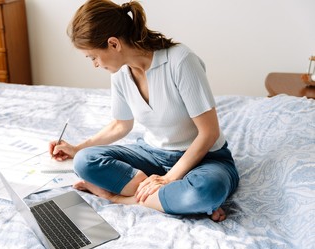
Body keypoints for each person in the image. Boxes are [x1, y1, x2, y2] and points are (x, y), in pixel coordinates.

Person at [49, 0, 239, 222]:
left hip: (206, 159)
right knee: (84, 161)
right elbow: (121, 125)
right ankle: (177, 201)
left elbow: (209, 133)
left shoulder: (180, 61)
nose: (95, 64)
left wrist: (168, 179)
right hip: (152, 154)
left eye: (93, 57)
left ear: (113, 44)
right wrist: (77, 148)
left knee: (205, 191)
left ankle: (120, 198)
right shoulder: (120, 74)